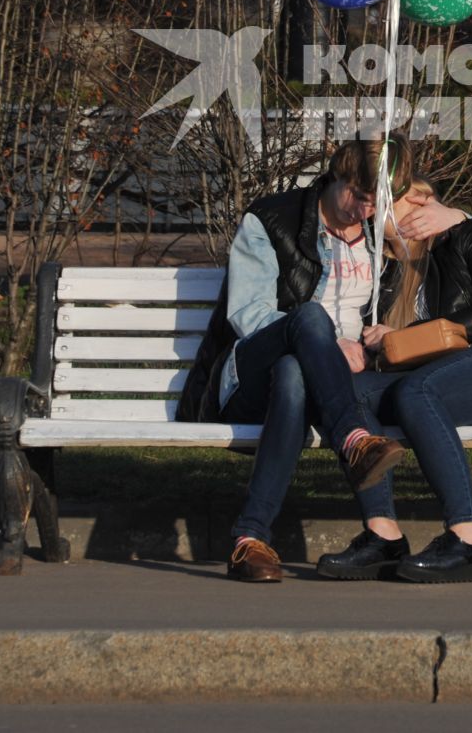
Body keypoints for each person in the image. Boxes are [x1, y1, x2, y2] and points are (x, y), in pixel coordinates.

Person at [179, 137, 418, 583]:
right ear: (337, 174)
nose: (363, 211)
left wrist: (381, 335)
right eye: (358, 197)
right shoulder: (270, 220)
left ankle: (248, 541)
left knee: (295, 373)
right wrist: (325, 341)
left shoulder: (377, 230)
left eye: (374, 204)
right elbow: (247, 314)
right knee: (308, 321)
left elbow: (436, 245)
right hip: (251, 374)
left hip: (321, 384)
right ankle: (354, 440)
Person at [314, 180, 472, 584]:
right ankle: (383, 536)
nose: (378, 213)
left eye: (390, 202)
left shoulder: (464, 235)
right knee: (348, 394)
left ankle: (468, 540)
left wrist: (464, 219)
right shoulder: (384, 272)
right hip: (446, 378)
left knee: (418, 391)